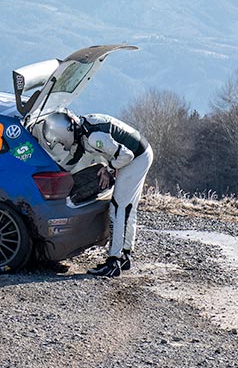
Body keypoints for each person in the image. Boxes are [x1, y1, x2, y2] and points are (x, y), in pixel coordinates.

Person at [33, 109, 153, 277]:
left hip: (136, 158)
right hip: (141, 152)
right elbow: (70, 162)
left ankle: (114, 262)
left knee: (118, 208)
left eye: (60, 140)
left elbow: (126, 155)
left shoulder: (93, 137)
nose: (61, 144)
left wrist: (109, 169)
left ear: (65, 133)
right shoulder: (82, 132)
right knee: (127, 208)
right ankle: (125, 254)